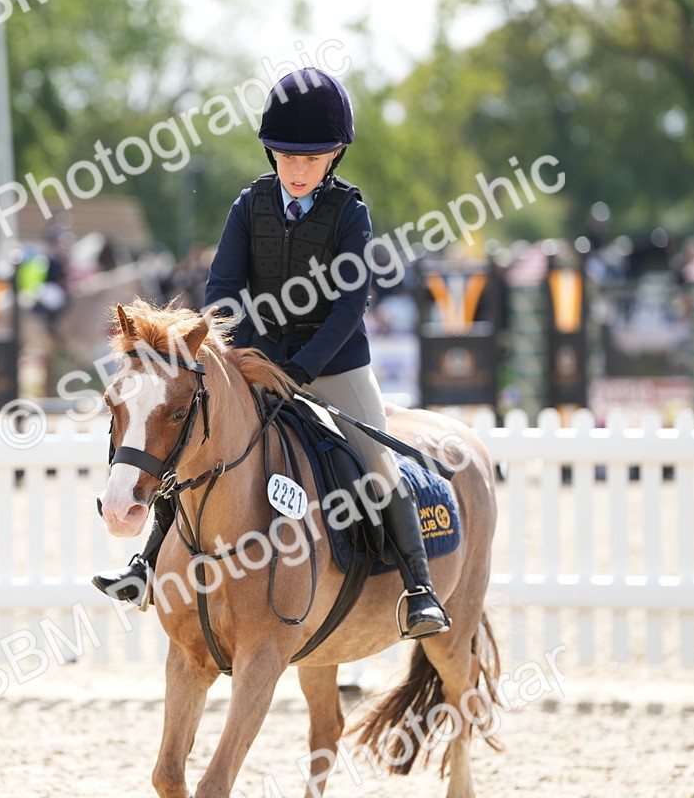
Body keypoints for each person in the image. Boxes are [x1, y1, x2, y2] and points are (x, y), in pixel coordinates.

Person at [92, 67, 450, 639]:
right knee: (191, 446)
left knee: (377, 463)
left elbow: (347, 306)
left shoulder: (350, 214)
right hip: (255, 363)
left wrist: (302, 367)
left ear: (334, 156)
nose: (297, 168)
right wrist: (251, 355)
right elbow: (222, 289)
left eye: (311, 158)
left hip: (334, 365)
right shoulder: (250, 205)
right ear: (270, 152)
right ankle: (145, 564)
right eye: (286, 156)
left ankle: (419, 587)